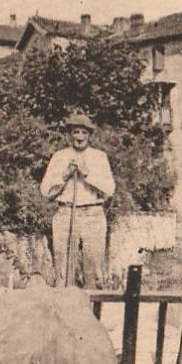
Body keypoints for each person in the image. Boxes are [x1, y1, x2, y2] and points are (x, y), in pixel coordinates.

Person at [40, 112, 115, 288]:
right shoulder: (59, 157)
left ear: (89, 135)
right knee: (63, 266)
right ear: (70, 134)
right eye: (76, 132)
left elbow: (109, 190)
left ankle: (93, 309)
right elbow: (45, 191)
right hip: (65, 213)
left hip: (93, 214)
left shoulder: (99, 157)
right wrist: (64, 176)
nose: (79, 137)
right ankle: (63, 309)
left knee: (94, 265)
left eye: (84, 132)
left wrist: (87, 174)